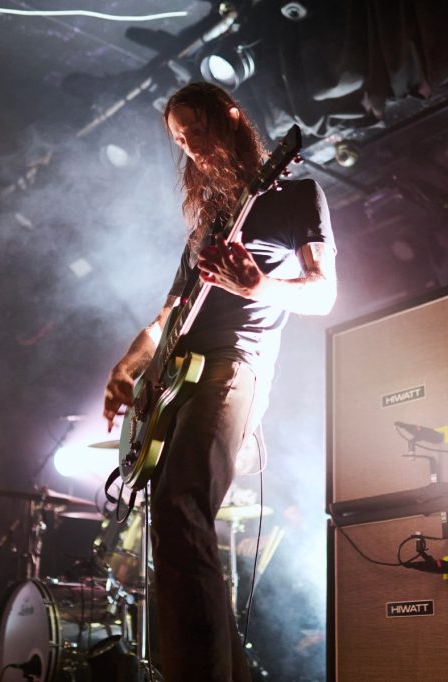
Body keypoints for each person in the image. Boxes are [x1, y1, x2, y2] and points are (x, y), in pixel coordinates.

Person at [102, 82, 336, 682]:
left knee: (181, 502)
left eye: (196, 131)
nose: (192, 149)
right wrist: (127, 367)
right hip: (177, 378)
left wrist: (261, 287)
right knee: (173, 524)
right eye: (180, 141)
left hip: (235, 367)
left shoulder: (296, 196)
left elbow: (326, 292)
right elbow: (166, 316)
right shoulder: (209, 224)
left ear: (230, 118)